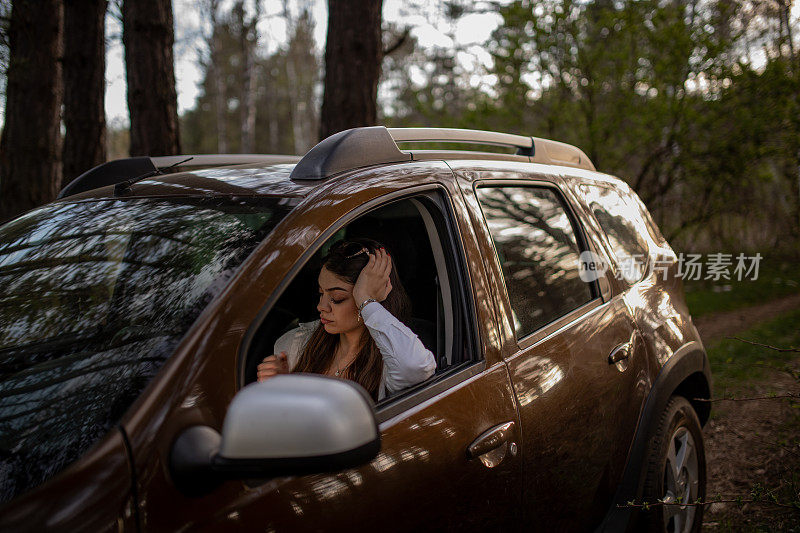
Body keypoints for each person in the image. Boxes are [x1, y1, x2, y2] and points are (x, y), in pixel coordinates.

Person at [257, 238, 436, 400]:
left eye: (337, 298)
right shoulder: (295, 346)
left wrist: (367, 301)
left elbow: (415, 368)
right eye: (321, 293)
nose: (321, 306)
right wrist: (281, 388)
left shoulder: (389, 360)